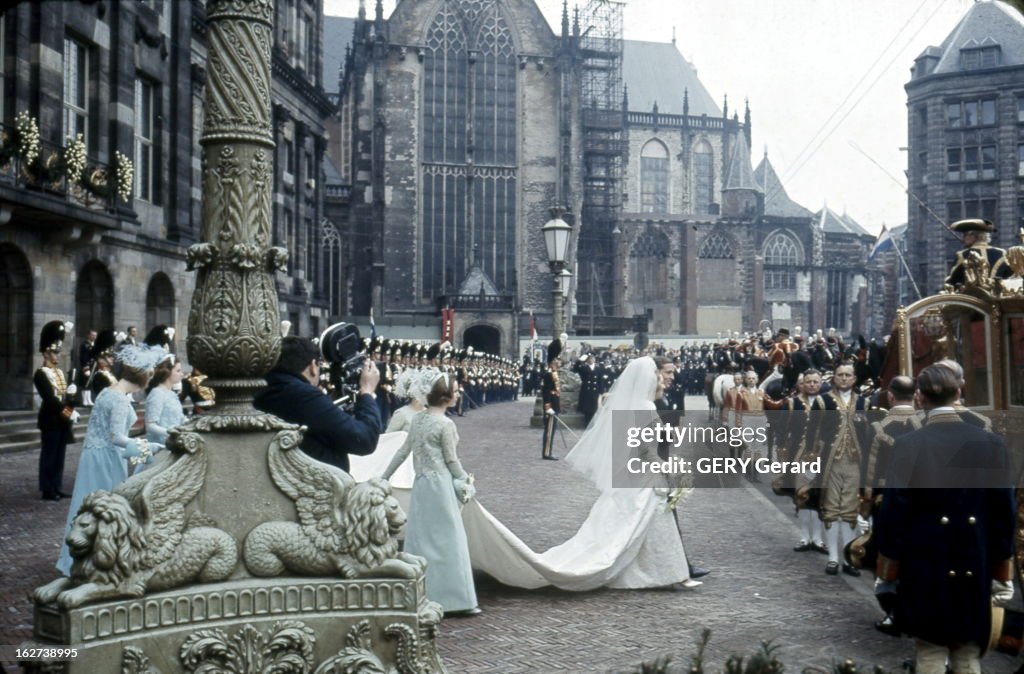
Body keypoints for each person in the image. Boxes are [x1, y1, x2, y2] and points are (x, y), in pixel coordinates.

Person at [459, 356, 699, 591]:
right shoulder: (645, 408)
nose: (661, 382)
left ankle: (663, 572)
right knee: (647, 523)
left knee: (645, 525)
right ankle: (667, 573)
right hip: (644, 480)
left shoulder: (634, 407)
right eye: (658, 377)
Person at [876, 364, 1015, 674]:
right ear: (960, 392)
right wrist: (1002, 568)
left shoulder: (910, 444)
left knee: (929, 649)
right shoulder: (990, 442)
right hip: (973, 555)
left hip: (924, 556)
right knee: (967, 652)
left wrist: (888, 567)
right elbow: (1003, 510)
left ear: (920, 398)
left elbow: (895, 510)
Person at [56, 342, 166, 575]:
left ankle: (88, 558)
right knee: (105, 505)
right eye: (149, 375)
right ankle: (96, 560)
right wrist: (148, 448)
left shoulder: (109, 391)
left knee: (94, 503)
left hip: (98, 455)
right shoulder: (117, 398)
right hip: (105, 457)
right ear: (142, 376)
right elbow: (117, 437)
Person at [381, 370, 479, 615]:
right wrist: (465, 480)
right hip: (441, 487)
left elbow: (403, 452)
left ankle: (419, 594)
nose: (458, 394)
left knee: (421, 539)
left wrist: (384, 476)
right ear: (446, 397)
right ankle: (456, 600)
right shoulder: (446, 424)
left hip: (422, 485)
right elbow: (451, 461)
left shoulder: (418, 420)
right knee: (449, 539)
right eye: (455, 391)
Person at [253, 336, 382, 473]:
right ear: (313, 366)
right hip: (311, 488)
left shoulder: (266, 387)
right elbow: (364, 439)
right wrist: (367, 392)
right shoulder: (301, 395)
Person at [861, 375, 921, 637]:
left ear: (891, 396)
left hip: (886, 498)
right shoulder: (925, 424)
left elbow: (870, 468)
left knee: (886, 555)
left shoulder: (879, 426)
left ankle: (892, 612)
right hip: (920, 499)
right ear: (915, 395)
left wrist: (865, 499)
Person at [819, 362, 870, 577]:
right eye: (840, 375)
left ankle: (849, 558)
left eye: (848, 375)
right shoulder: (823, 402)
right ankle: (832, 558)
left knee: (850, 511)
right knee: (831, 509)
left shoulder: (865, 403)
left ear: (854, 378)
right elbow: (815, 433)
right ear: (834, 378)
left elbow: (868, 438)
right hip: (831, 462)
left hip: (854, 462)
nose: (843, 378)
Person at [34, 321, 78, 502]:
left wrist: (72, 398)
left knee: (60, 455)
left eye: (58, 352)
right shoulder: (41, 373)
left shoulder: (59, 373)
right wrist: (68, 412)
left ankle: (57, 486)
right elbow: (50, 400)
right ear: (45, 353)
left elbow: (64, 396)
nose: (57, 356)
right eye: (54, 352)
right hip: (51, 418)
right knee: (49, 455)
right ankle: (47, 488)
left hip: (61, 420)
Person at [943, 218, 1010, 289]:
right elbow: (1007, 274)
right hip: (997, 294)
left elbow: (953, 279)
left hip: (973, 295)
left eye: (965, 235)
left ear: (973, 235)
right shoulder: (1002, 253)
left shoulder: (963, 254)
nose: (963, 238)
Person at [145, 354, 186, 447]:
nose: (182, 374)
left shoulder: (171, 394)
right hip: (162, 445)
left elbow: (180, 418)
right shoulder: (156, 394)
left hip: (176, 442)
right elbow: (150, 426)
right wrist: (170, 432)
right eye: (178, 371)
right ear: (167, 372)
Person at [540, 339, 561, 461]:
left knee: (551, 431)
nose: (558, 362)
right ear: (551, 362)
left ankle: (549, 451)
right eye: (556, 360)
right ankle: (546, 453)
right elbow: (545, 392)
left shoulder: (554, 373)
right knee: (549, 431)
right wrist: (548, 408)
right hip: (551, 406)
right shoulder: (548, 374)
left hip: (555, 404)